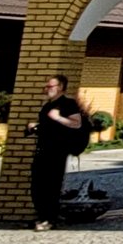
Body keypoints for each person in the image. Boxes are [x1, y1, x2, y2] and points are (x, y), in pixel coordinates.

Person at [24, 74, 85, 231]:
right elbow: (48, 126)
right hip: (42, 148)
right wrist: (35, 127)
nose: (47, 89)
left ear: (60, 87)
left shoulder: (68, 104)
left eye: (50, 86)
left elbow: (76, 123)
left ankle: (49, 219)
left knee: (51, 185)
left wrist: (58, 118)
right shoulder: (47, 106)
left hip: (57, 151)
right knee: (37, 185)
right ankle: (41, 215)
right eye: (46, 87)